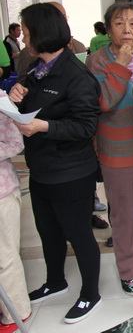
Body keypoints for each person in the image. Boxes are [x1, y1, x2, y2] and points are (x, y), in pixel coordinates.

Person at [9, 2, 102, 324]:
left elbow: (86, 126)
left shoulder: (76, 75)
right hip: (41, 168)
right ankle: (55, 281)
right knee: (47, 231)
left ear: (42, 33)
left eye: (27, 32)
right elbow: (33, 106)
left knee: (78, 233)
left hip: (71, 171)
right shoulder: (36, 69)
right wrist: (18, 93)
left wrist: (44, 126)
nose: (23, 38)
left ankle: (90, 293)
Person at [86, 0, 133, 296]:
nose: (127, 29)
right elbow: (104, 102)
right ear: (108, 30)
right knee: (123, 214)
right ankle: (128, 271)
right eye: (119, 23)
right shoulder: (96, 61)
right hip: (117, 150)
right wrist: (120, 64)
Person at [0, 89, 31, 333]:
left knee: (5, 257)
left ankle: (15, 313)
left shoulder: (1, 100)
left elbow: (15, 143)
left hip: (2, 192)